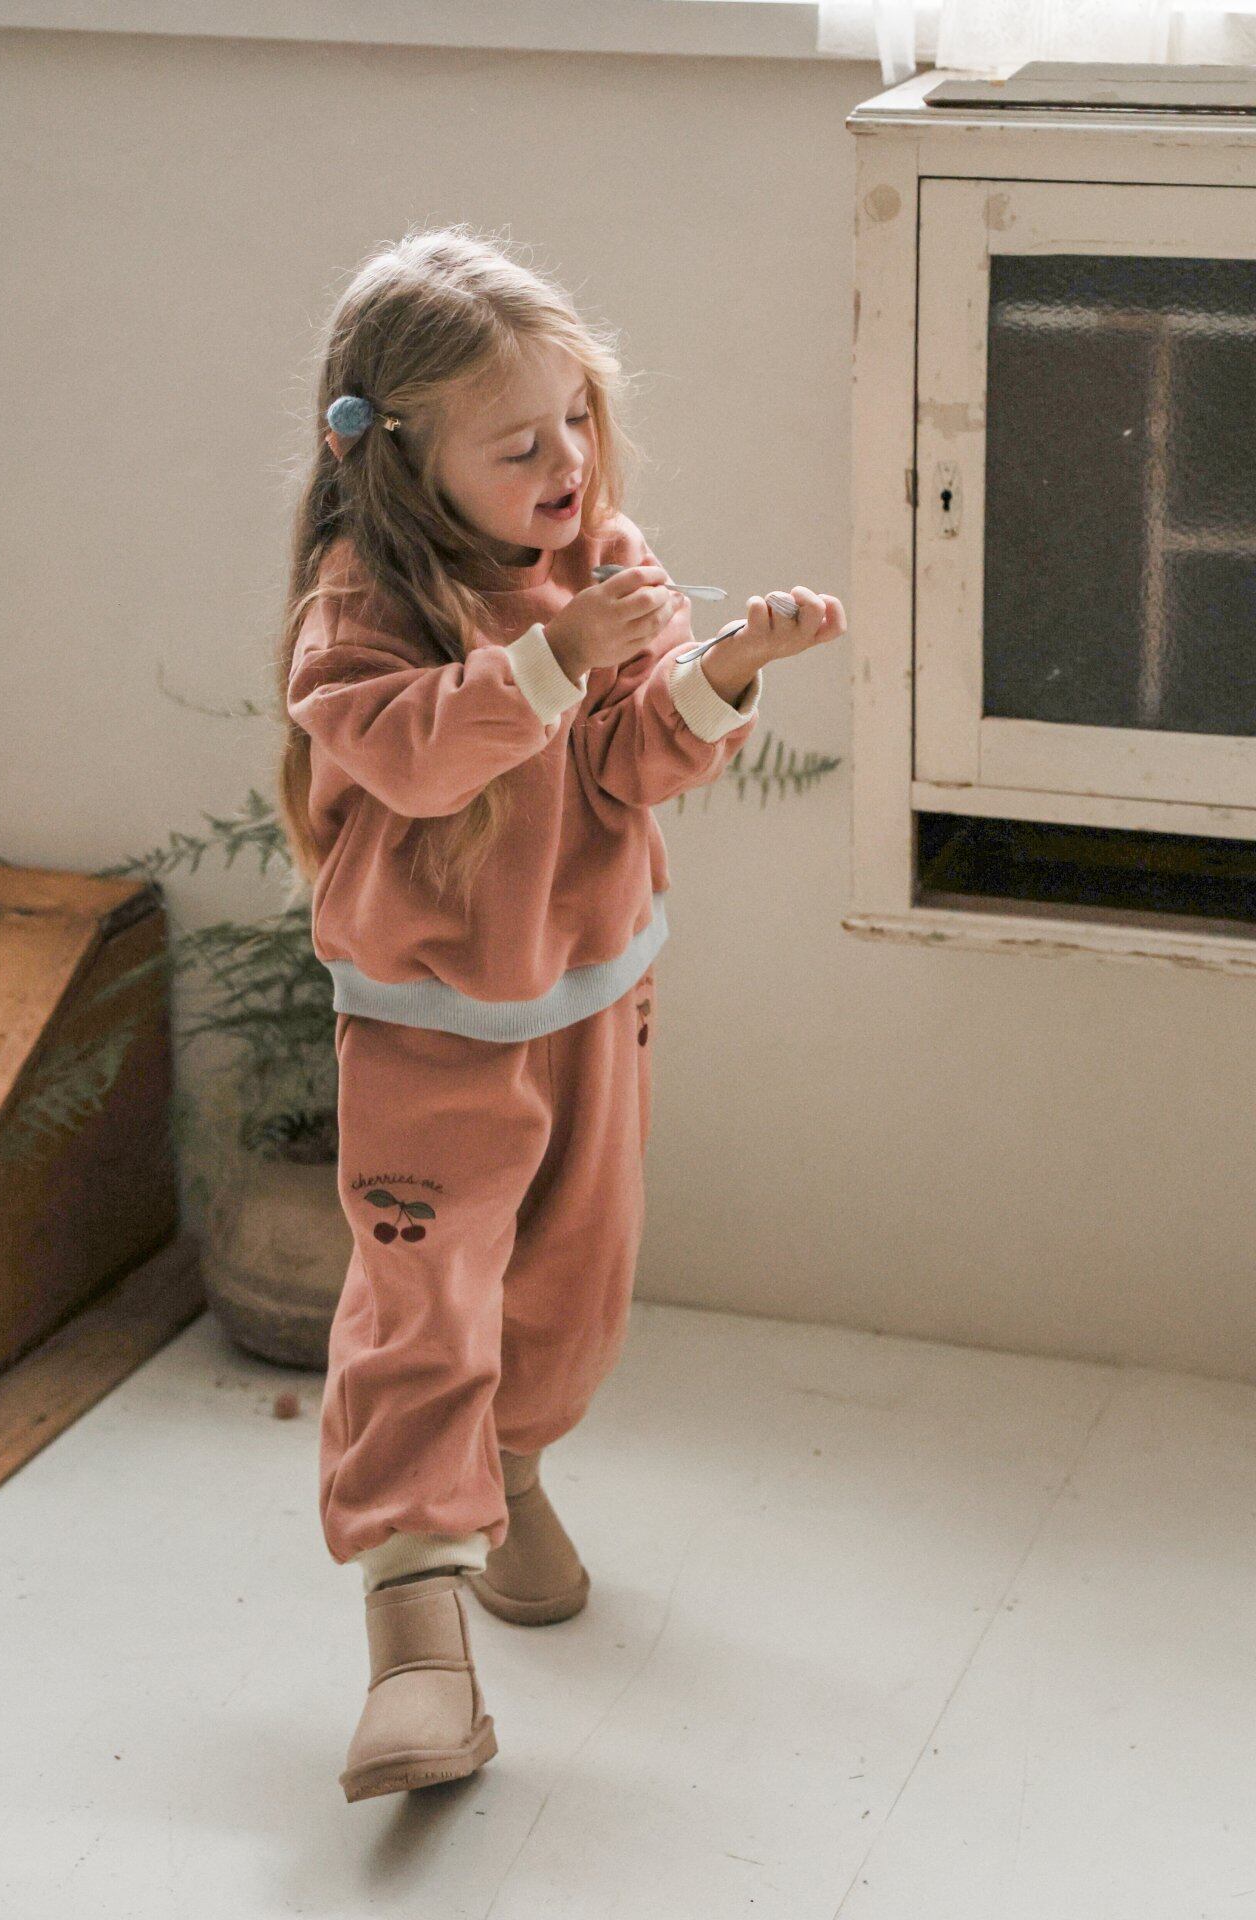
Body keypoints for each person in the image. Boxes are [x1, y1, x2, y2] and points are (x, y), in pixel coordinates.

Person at [276, 226, 845, 1802]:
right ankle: (413, 1632)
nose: (568, 464)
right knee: (424, 1304)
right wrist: (548, 661)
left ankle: (512, 1475)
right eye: (519, 445)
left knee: (571, 1282)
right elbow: (410, 757)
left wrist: (723, 672)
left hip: (597, 990)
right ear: (401, 457)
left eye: (577, 419)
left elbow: (622, 763)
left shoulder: (600, 558)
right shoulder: (363, 604)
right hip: (428, 1025)